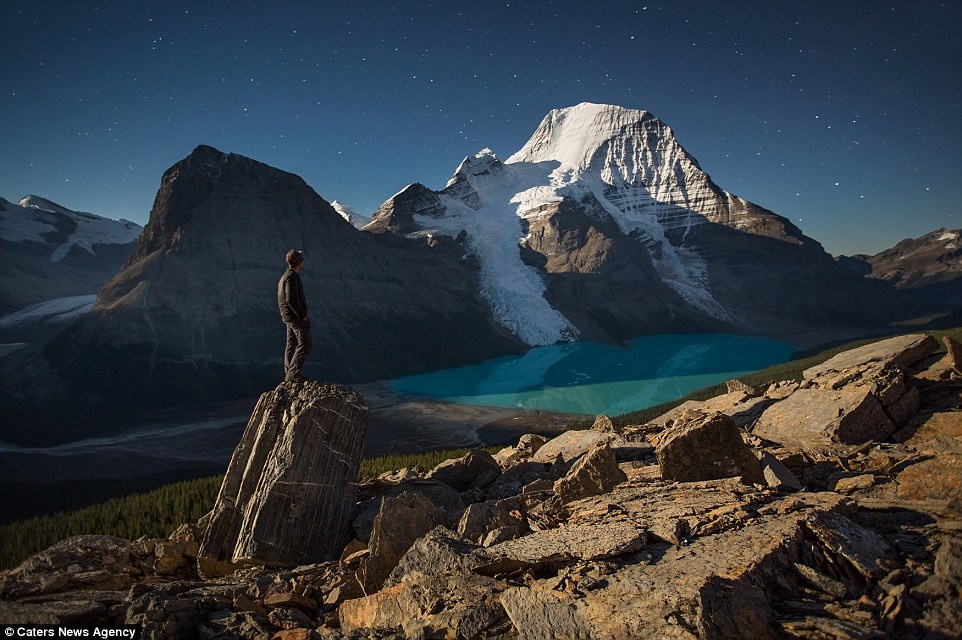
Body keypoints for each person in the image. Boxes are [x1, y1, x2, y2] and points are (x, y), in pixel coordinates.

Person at [277, 249, 312, 382]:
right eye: (302, 260)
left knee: (291, 344)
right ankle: (293, 372)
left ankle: (289, 372)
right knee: (305, 343)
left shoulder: (286, 276)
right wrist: (302, 315)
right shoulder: (292, 277)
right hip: (295, 317)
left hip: (287, 316)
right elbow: (291, 299)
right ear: (299, 262)